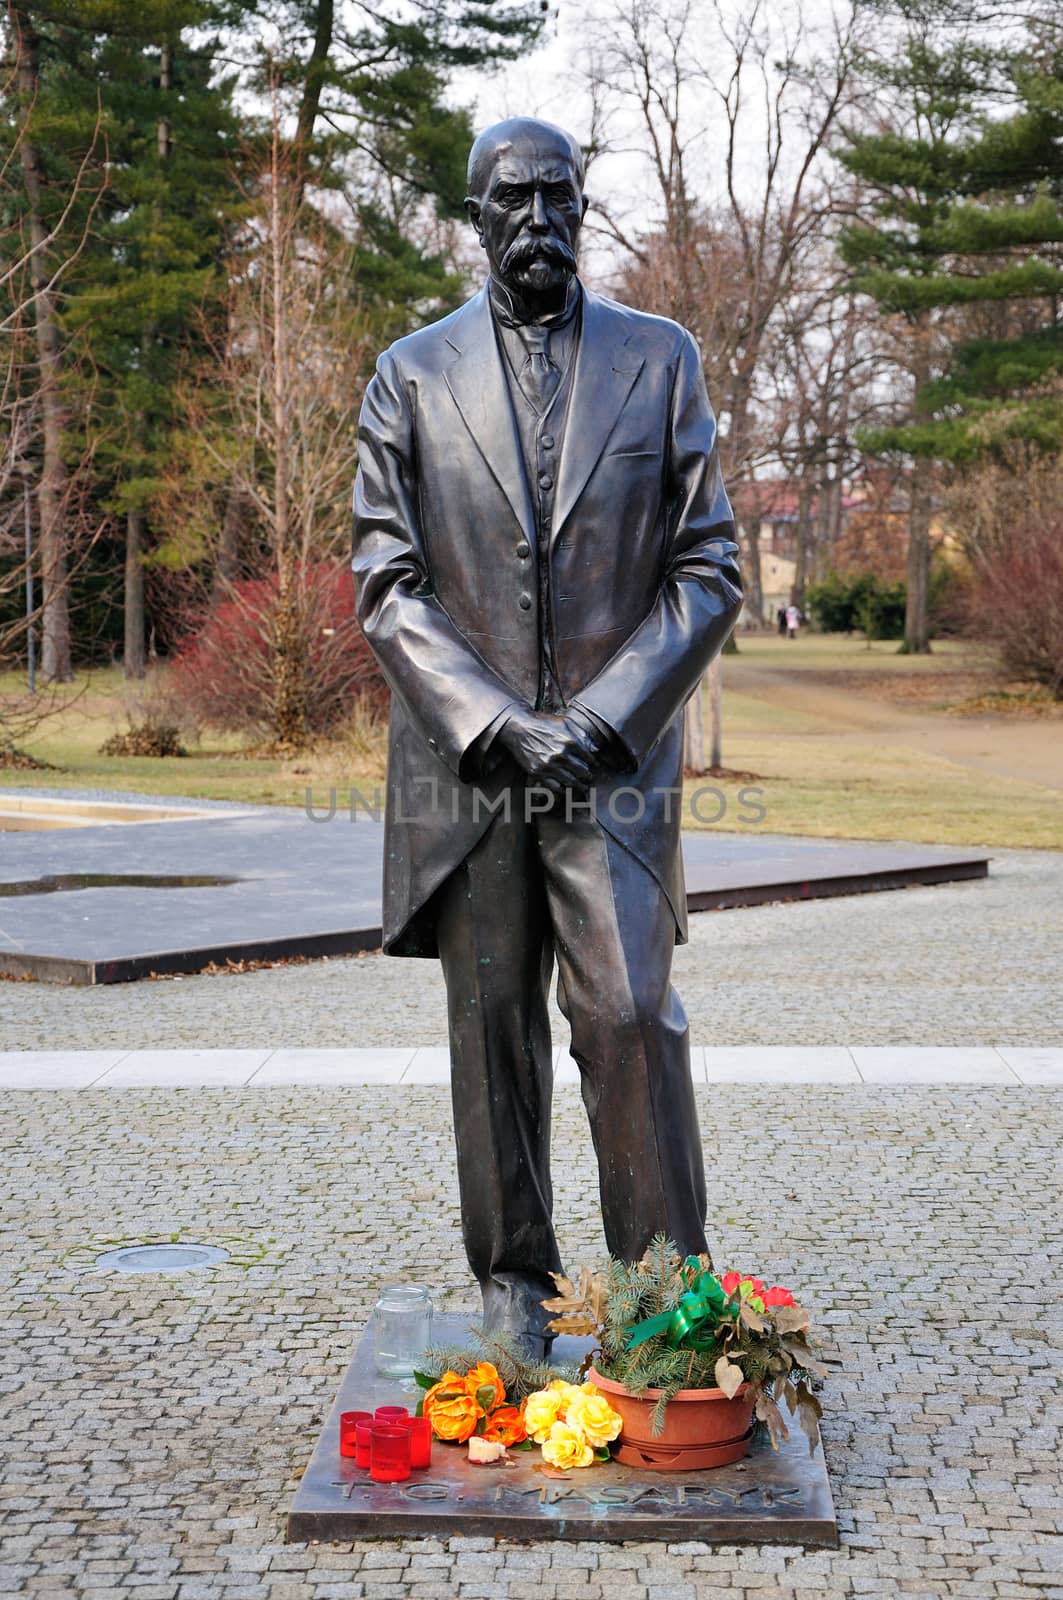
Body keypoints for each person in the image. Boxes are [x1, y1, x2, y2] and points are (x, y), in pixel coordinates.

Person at [352, 117, 742, 1356]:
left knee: (629, 1013)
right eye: (513, 201)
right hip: (469, 773)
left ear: (585, 207)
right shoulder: (409, 373)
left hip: (609, 770)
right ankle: (515, 1284)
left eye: (559, 198)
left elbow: (707, 564)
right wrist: (496, 723)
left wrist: (600, 716)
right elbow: (386, 576)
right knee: (490, 1028)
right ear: (473, 217)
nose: (539, 222)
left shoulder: (657, 359)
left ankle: (661, 1298)